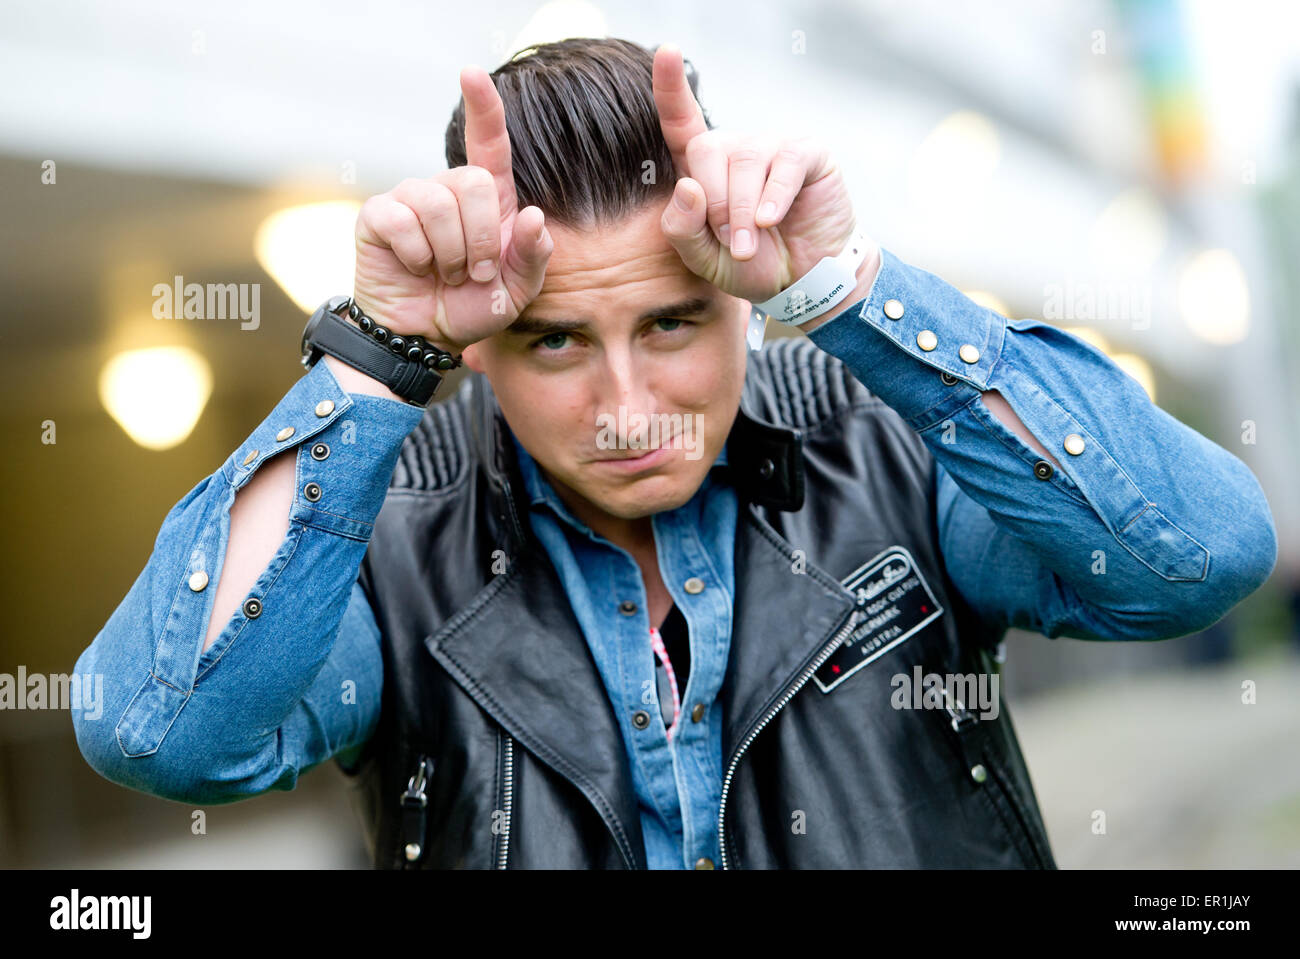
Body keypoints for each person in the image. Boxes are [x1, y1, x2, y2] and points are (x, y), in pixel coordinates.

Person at [72, 37, 1277, 869]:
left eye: (671, 321)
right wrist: (373, 354)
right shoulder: (383, 538)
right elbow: (160, 732)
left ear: (741, 301)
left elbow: (1200, 556)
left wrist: (849, 283)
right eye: (553, 341)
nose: (629, 401)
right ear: (481, 345)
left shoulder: (893, 450)